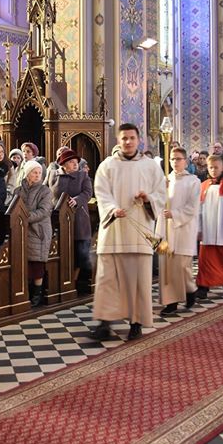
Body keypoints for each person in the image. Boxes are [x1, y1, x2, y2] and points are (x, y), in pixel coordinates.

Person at [89, 123, 166, 341]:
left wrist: (148, 198)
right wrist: (112, 209)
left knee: (138, 281)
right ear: (118, 140)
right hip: (114, 231)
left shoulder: (150, 166)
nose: (128, 142)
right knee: (107, 279)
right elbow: (101, 192)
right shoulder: (107, 166)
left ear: (139, 139)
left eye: (132, 138)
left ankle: (136, 323)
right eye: (124, 138)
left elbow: (161, 193)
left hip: (139, 233)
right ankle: (104, 323)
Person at [158, 147, 201, 315]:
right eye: (172, 159)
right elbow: (156, 203)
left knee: (182, 267)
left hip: (184, 228)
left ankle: (190, 290)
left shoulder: (193, 181)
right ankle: (171, 302)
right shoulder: (164, 180)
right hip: (166, 229)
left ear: (185, 161)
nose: (175, 162)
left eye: (178, 159)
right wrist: (161, 190)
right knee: (167, 266)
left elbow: (192, 207)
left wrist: (174, 214)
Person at [196, 154, 223, 300]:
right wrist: (199, 229)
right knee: (205, 260)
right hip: (208, 229)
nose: (213, 170)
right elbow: (199, 210)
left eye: (216, 167)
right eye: (211, 167)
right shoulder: (203, 186)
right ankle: (203, 287)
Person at [50, 148, 94, 295]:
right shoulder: (54, 175)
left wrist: (77, 200)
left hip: (79, 218)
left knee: (80, 253)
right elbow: (50, 192)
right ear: (63, 164)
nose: (75, 164)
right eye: (71, 162)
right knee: (63, 251)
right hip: (59, 217)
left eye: (76, 162)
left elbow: (88, 193)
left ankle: (78, 283)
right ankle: (62, 284)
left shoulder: (83, 176)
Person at [14, 160, 54, 306]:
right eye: (34, 172)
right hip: (21, 231)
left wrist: (23, 217)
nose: (37, 175)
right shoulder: (18, 190)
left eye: (39, 173)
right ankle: (25, 293)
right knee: (23, 263)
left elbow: (43, 211)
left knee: (36, 264)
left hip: (38, 231)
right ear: (27, 174)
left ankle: (37, 295)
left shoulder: (45, 191)